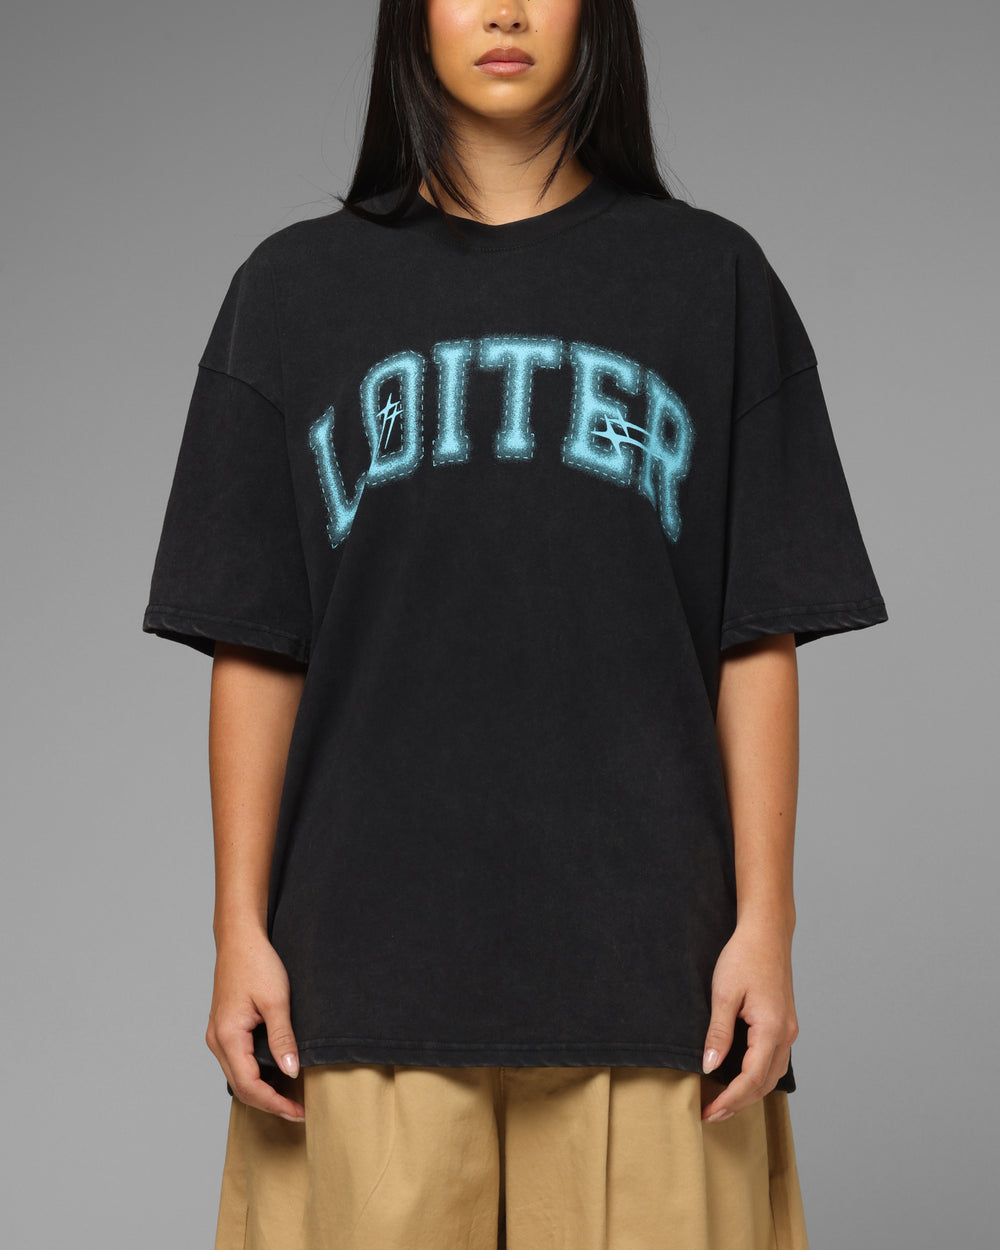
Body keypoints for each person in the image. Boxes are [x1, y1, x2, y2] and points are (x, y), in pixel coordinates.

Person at [141, 2, 889, 1247]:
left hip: (653, 967)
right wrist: (237, 931)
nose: (503, 10)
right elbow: (256, 646)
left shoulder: (711, 281)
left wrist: (767, 924)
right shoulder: (290, 292)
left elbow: (754, 634)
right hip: (360, 968)